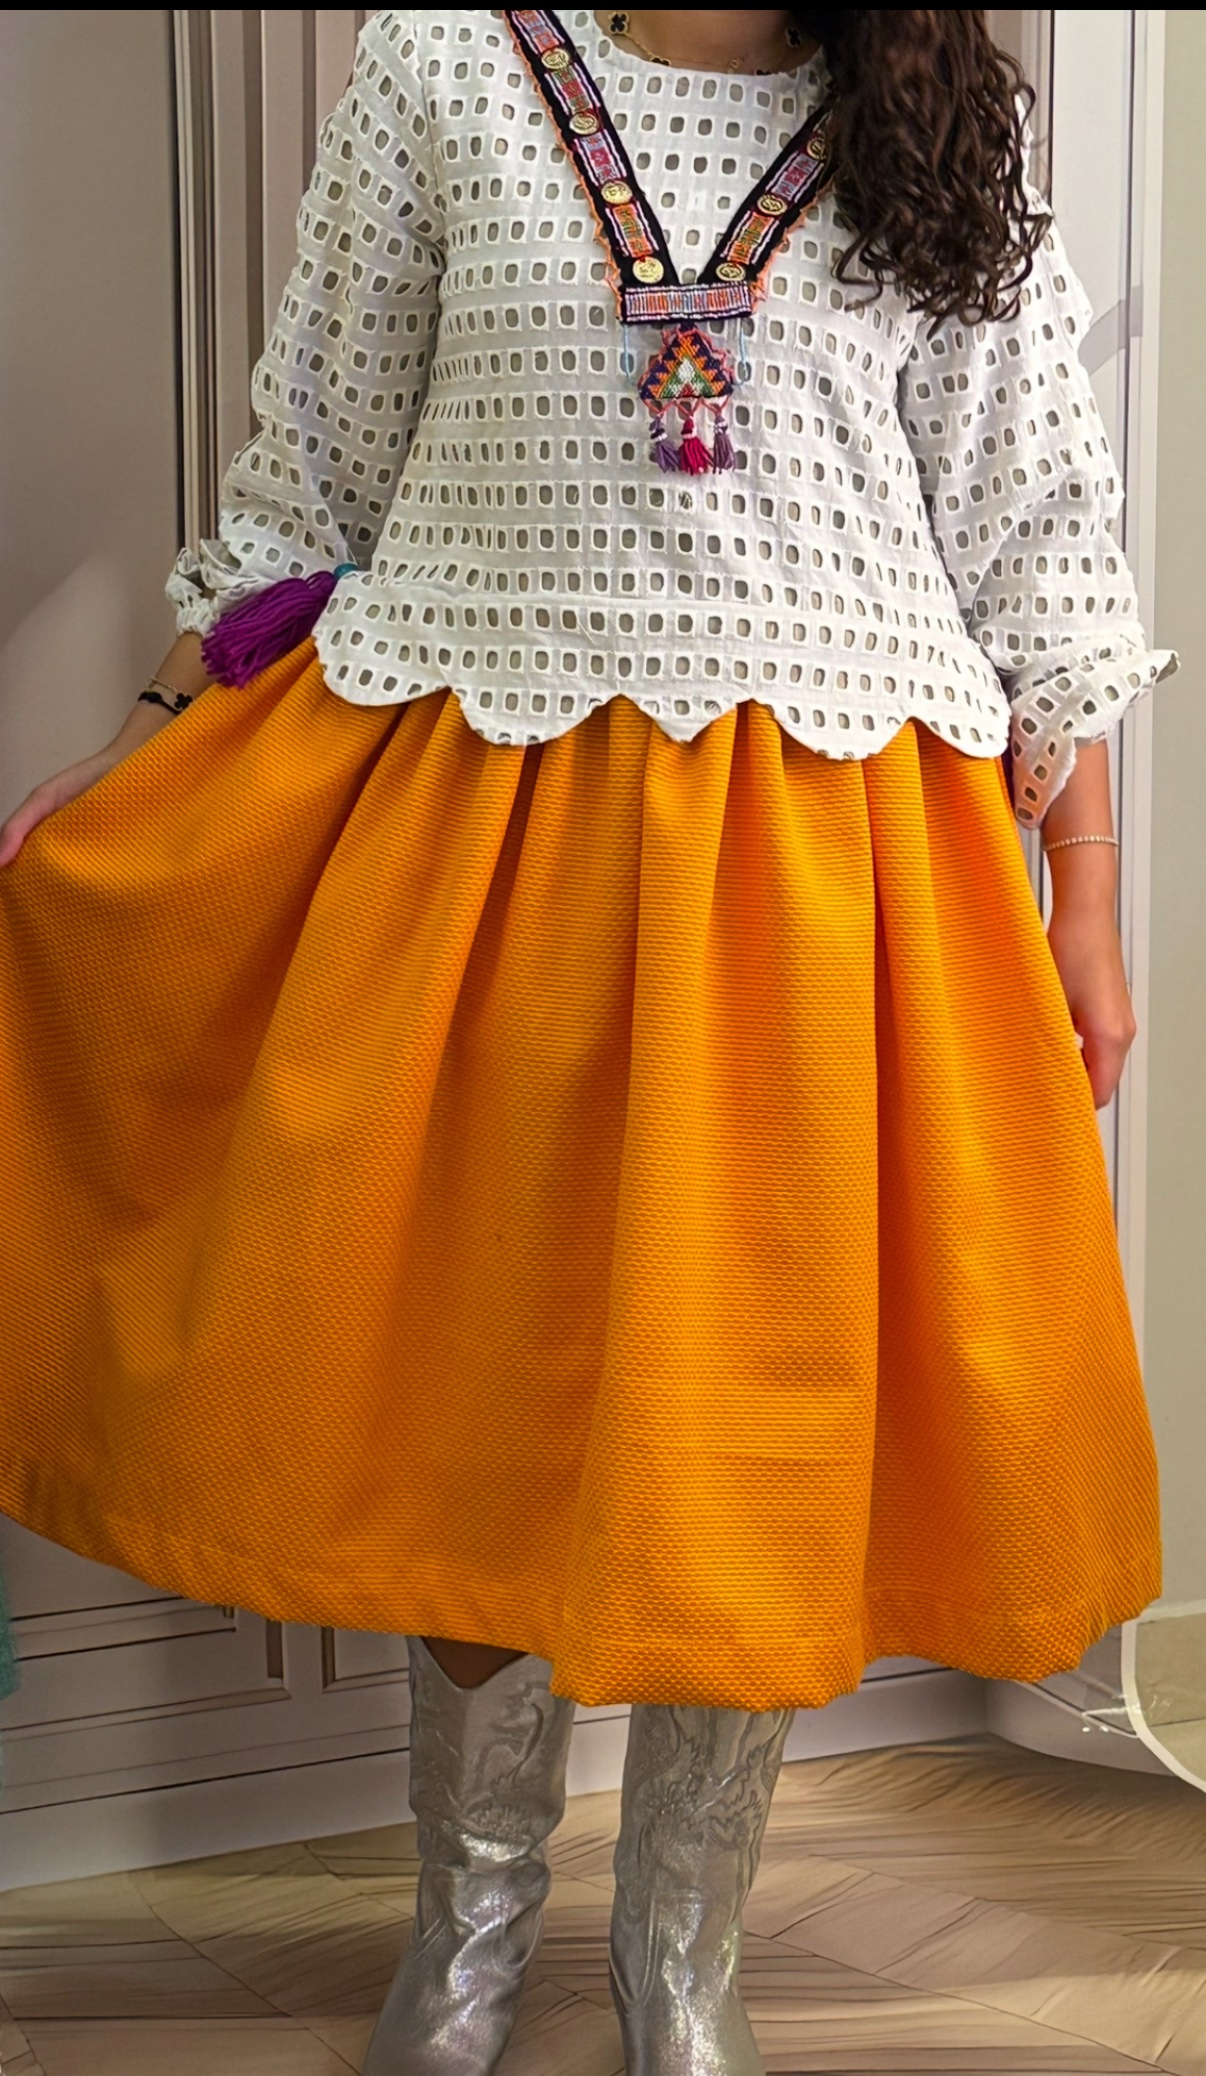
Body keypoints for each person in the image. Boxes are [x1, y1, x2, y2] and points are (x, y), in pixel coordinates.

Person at [0, 9, 1174, 2072]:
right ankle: (464, 1936)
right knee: (485, 1401)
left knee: (752, 1428)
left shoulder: (939, 130)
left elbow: (1038, 549)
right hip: (495, 850)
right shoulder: (441, 70)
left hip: (834, 876)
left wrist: (1084, 888)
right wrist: (147, 741)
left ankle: (681, 1964)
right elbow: (315, 471)